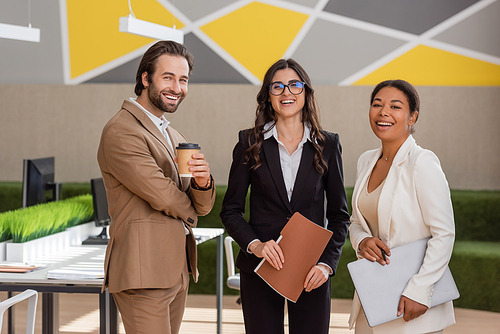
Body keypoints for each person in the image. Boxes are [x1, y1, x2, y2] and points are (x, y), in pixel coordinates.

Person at [220, 58, 350, 334]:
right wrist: (255, 245)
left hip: (311, 269)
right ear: (268, 95)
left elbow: (339, 216)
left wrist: (327, 265)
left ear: (306, 92)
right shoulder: (248, 143)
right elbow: (230, 211)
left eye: (294, 85)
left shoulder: (327, 145)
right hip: (261, 267)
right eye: (277, 86)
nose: (286, 92)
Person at [97, 41, 215, 334]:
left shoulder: (173, 134)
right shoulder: (121, 130)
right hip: (143, 271)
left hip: (175, 271)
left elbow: (202, 205)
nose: (177, 87)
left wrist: (203, 182)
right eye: (168, 77)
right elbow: (164, 195)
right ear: (145, 78)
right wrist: (190, 205)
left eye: (183, 79)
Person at [348, 80, 456, 333]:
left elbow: (444, 233)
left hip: (412, 300)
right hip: (373, 295)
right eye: (377, 105)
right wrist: (362, 240)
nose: (383, 112)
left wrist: (420, 290)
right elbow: (355, 221)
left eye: (395, 107)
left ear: (412, 117)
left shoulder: (422, 162)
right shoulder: (366, 161)